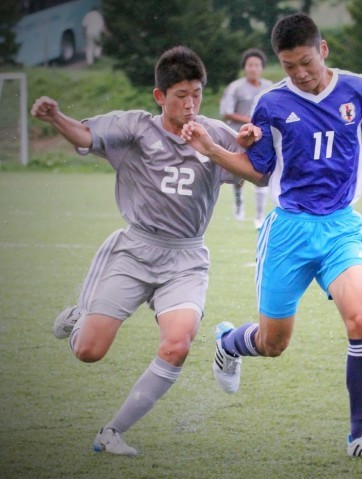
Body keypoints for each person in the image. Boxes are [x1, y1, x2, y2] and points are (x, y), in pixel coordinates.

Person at [181, 13, 362, 463]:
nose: (301, 74)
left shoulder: (360, 90)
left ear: (323, 50)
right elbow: (260, 173)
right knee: (274, 343)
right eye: (290, 67)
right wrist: (215, 151)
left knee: (361, 320)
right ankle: (229, 343)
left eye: (307, 62)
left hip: (341, 228)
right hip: (288, 229)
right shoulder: (270, 105)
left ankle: (360, 437)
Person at [30, 46, 245, 455]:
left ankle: (112, 432)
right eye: (180, 95)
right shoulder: (135, 128)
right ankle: (80, 317)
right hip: (135, 251)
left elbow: (254, 166)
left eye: (197, 93)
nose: (190, 103)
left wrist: (246, 141)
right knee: (89, 352)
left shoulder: (213, 133)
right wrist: (56, 116)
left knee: (178, 344)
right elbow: (87, 135)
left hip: (186, 258)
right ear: (159, 96)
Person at [220, 48, 273, 228]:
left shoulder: (269, 87)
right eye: (250, 65)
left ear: (262, 68)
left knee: (261, 175)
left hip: (263, 139)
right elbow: (226, 113)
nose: (253, 68)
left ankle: (259, 215)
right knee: (239, 177)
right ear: (245, 67)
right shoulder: (236, 87)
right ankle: (238, 205)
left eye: (257, 65)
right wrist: (250, 121)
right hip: (240, 136)